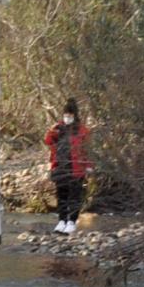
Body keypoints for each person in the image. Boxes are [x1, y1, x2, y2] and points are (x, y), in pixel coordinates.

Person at [44, 98, 93, 235]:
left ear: (75, 116)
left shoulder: (82, 130)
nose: (67, 118)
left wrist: (88, 165)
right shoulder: (58, 128)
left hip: (76, 167)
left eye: (70, 116)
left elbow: (87, 149)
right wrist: (51, 131)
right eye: (65, 115)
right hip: (60, 166)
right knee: (61, 194)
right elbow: (48, 141)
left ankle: (71, 221)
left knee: (75, 195)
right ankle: (62, 220)